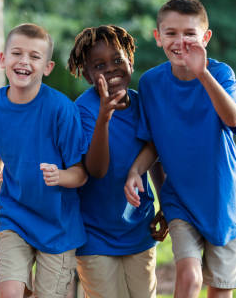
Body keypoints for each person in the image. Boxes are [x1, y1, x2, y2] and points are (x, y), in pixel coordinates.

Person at [124, 0, 236, 298]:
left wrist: (202, 74)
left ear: (205, 37)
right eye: (171, 33)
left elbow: (234, 119)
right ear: (158, 37)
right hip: (180, 200)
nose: (180, 41)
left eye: (190, 34)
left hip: (225, 202)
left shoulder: (220, 74)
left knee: (220, 290)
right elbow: (154, 142)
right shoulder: (152, 83)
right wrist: (134, 171)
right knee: (189, 277)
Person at [0, 23, 89, 298]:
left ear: (47, 67)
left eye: (35, 57)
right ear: (3, 59)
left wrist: (60, 176)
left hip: (58, 228)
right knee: (9, 293)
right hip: (15, 217)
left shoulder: (61, 109)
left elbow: (80, 173)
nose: (24, 61)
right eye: (17, 53)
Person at [47, 24, 166, 298]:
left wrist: (165, 205)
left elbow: (155, 154)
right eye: (99, 65)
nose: (111, 69)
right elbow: (96, 170)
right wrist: (104, 117)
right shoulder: (83, 110)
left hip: (138, 228)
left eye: (117, 60)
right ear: (88, 75)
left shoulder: (142, 105)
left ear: (130, 62)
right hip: (94, 233)